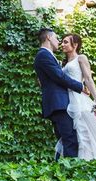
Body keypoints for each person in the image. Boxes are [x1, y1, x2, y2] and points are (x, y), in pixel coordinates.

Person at [34, 28, 84, 159]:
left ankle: (60, 170)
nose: (59, 42)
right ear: (49, 38)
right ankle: (70, 173)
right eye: (57, 38)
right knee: (70, 140)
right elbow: (59, 76)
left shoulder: (47, 55)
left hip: (58, 103)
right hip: (58, 104)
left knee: (63, 140)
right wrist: (80, 86)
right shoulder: (43, 55)